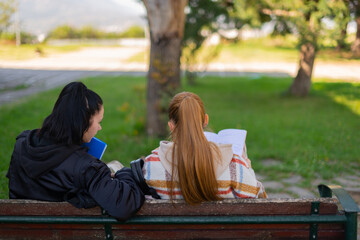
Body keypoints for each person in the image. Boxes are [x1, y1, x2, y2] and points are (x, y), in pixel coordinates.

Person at [7, 82, 144, 220]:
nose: (99, 128)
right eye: (99, 122)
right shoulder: (87, 168)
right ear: (83, 122)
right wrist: (124, 173)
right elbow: (125, 205)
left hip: (22, 227)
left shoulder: (23, 143)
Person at [143, 92, 267, 204]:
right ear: (205, 120)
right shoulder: (235, 165)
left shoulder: (150, 166)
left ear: (171, 126)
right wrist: (248, 168)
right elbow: (260, 200)